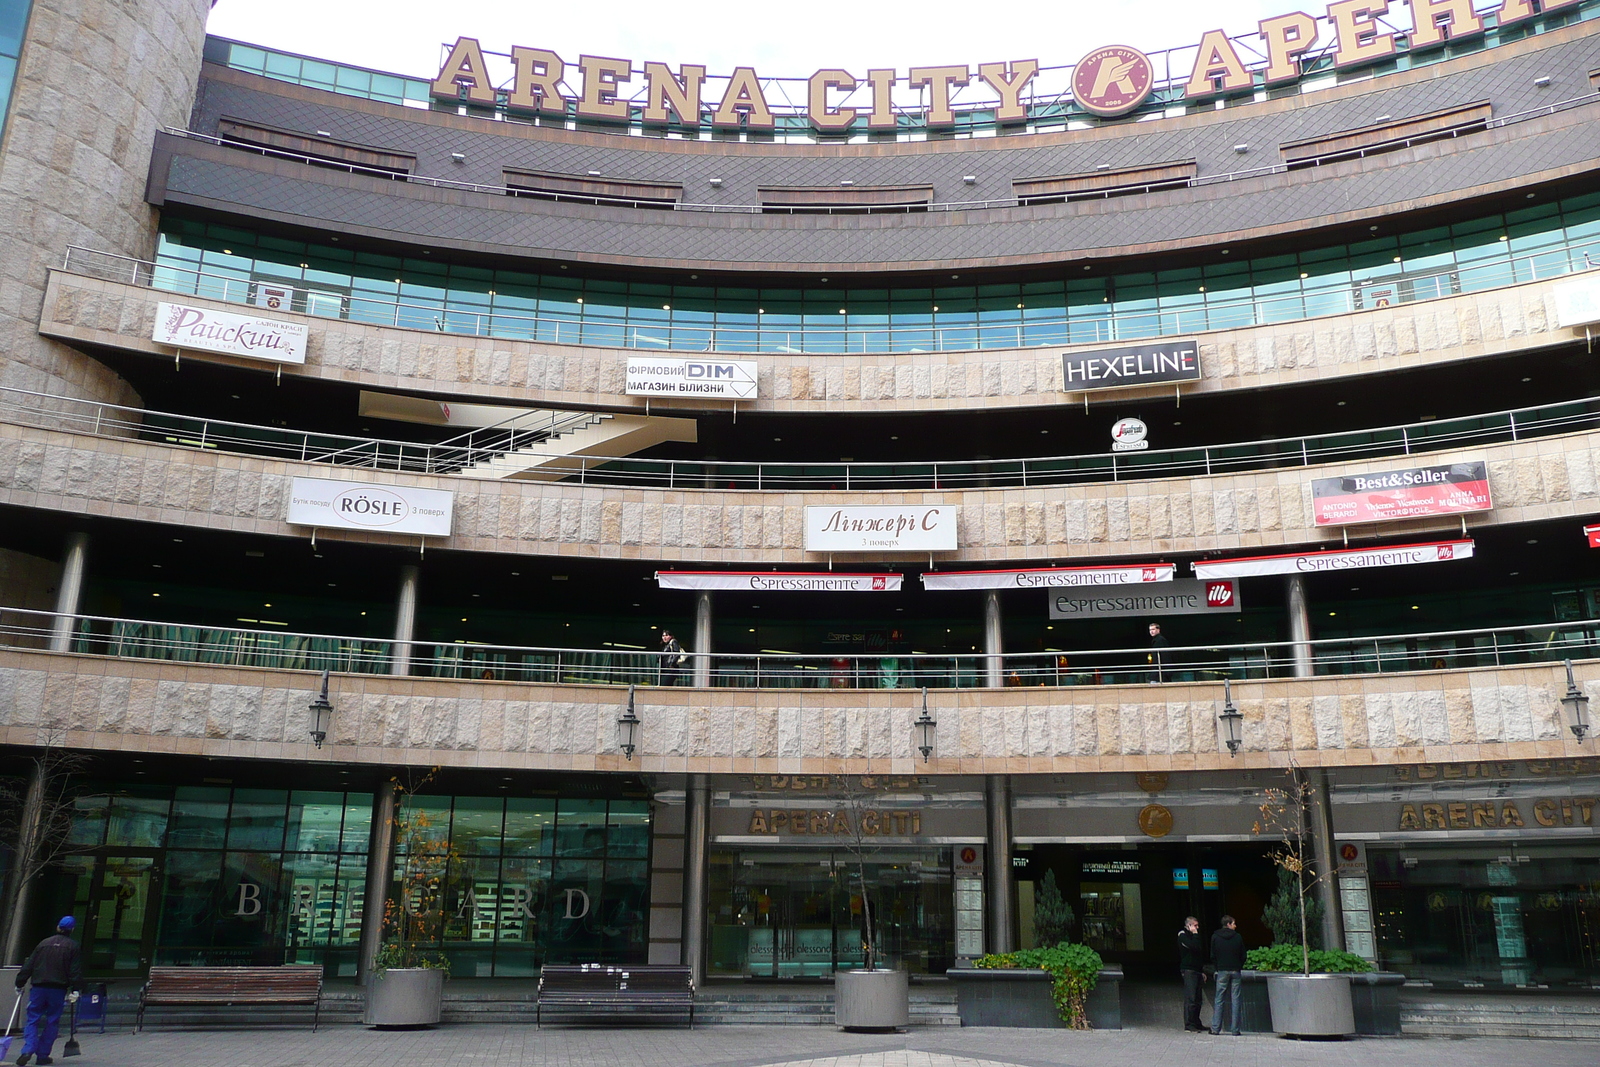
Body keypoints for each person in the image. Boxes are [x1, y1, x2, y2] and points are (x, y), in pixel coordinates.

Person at [14, 916, 81, 1066]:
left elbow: (29, 965)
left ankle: (28, 1049)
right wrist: (75, 989)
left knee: (32, 1018)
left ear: (58, 927)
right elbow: (74, 971)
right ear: (72, 930)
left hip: (38, 987)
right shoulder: (73, 946)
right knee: (52, 1021)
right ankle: (43, 1055)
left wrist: (20, 983)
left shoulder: (43, 944)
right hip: (57, 989)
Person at [1210, 913, 1244, 1036]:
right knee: (1236, 999)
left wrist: (1217, 967)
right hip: (1235, 970)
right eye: (1234, 923)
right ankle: (1235, 1029)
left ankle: (1215, 1028)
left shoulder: (1215, 936)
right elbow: (1243, 955)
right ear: (1228, 924)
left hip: (1222, 970)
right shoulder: (1238, 937)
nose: (1235, 926)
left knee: (1219, 998)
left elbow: (1212, 955)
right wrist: (1238, 966)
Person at [1178, 915, 1206, 1033]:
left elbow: (1199, 950)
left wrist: (1202, 970)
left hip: (1197, 969)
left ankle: (1196, 1022)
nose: (1197, 928)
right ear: (1188, 925)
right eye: (1195, 925)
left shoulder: (1195, 937)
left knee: (1198, 998)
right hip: (1189, 969)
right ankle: (1189, 1024)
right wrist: (1194, 934)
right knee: (1191, 997)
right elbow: (1194, 947)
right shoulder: (1182, 936)